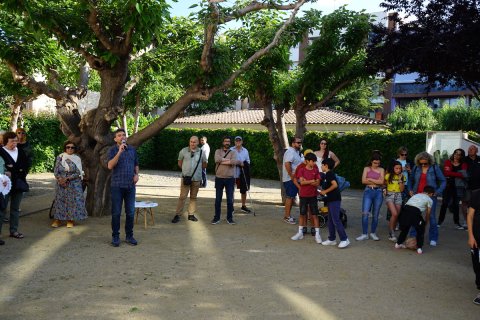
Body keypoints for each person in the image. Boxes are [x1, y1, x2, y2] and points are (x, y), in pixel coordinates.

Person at [107, 128, 139, 247]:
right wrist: (119, 152)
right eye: (119, 135)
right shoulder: (112, 150)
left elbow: (136, 164)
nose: (122, 137)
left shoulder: (132, 150)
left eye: (124, 135)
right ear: (115, 139)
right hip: (117, 186)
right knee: (116, 213)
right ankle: (115, 237)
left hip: (130, 186)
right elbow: (110, 165)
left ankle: (129, 236)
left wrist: (137, 175)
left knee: (130, 212)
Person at [408, 151, 446, 246]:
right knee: (415, 216)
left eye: (426, 163)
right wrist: (410, 189)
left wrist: (437, 192)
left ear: (429, 161)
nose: (424, 165)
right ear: (418, 162)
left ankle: (433, 238)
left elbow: (443, 181)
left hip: (430, 197)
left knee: (431, 217)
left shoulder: (434, 167)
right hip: (417, 195)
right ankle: (413, 236)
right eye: (422, 163)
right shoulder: (416, 167)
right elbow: (410, 179)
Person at [171, 136, 207, 223]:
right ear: (189, 142)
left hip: (197, 178)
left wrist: (197, 171)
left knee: (193, 197)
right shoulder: (183, 151)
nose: (192, 143)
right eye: (191, 141)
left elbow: (204, 164)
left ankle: (191, 215)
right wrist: (186, 170)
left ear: (198, 142)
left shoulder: (202, 152)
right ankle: (177, 215)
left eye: (194, 142)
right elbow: (180, 163)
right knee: (182, 197)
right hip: (185, 178)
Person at [0, 131, 29, 239]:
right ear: (5, 141)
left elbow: (26, 165)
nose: (15, 143)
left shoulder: (20, 151)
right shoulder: (1, 152)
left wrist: (18, 171)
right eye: (12, 141)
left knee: (15, 209)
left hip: (18, 184)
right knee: (2, 209)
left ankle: (14, 231)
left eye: (16, 141)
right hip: (3, 185)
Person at [51, 141, 87, 228]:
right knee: (60, 201)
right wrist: (60, 179)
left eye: (72, 147)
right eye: (68, 147)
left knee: (72, 202)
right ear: (65, 148)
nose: (70, 149)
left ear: (74, 149)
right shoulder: (60, 157)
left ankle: (70, 220)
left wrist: (67, 178)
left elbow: (78, 172)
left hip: (73, 183)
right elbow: (56, 170)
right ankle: (57, 219)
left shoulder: (77, 158)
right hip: (61, 182)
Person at [290, 152, 322, 244]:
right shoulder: (301, 170)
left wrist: (307, 181)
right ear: (307, 161)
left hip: (313, 195)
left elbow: (318, 183)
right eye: (313, 161)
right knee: (302, 214)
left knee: (314, 214)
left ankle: (317, 234)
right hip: (303, 195)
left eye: (315, 161)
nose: (314, 163)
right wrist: (312, 181)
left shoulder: (316, 169)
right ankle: (300, 232)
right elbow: (302, 182)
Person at [395, 185, 434, 255]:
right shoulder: (429, 199)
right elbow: (428, 213)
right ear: (431, 194)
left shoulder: (416, 195)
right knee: (420, 230)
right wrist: (425, 222)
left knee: (405, 229)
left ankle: (398, 244)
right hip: (415, 212)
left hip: (405, 210)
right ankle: (419, 248)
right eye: (432, 195)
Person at [320, 158, 350, 248]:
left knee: (336, 220)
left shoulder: (329, 174)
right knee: (330, 220)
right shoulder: (328, 174)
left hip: (334, 200)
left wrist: (325, 191)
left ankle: (344, 239)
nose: (321, 166)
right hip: (331, 199)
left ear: (326, 166)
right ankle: (332, 239)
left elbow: (335, 185)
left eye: (322, 165)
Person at [356, 153, 385, 241]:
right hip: (368, 191)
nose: (377, 165)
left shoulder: (381, 169)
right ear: (371, 162)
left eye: (378, 163)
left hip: (378, 192)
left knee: (375, 214)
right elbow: (363, 181)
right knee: (365, 213)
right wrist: (377, 181)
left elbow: (382, 182)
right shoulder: (366, 168)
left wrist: (370, 179)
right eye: (375, 163)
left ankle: (373, 233)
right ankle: (364, 233)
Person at [438, 148, 468, 229]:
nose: (456, 155)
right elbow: (446, 173)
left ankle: (457, 223)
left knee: (456, 205)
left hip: (458, 187)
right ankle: (439, 222)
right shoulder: (448, 161)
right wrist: (458, 173)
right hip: (448, 186)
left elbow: (463, 175)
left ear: (461, 156)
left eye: (459, 154)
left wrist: (452, 174)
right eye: (455, 153)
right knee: (444, 204)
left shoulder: (463, 164)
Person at [212, 136, 237, 225]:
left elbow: (234, 162)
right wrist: (228, 161)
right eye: (225, 141)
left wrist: (222, 161)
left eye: (229, 141)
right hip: (219, 178)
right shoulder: (217, 151)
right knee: (218, 199)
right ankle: (216, 218)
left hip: (230, 179)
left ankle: (229, 218)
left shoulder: (234, 152)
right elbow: (216, 160)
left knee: (230, 200)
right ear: (223, 142)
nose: (227, 143)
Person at [282, 137, 304, 224]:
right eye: (298, 142)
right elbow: (287, 164)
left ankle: (288, 215)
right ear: (293, 143)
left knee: (292, 197)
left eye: (300, 142)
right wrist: (291, 176)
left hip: (295, 179)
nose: (300, 144)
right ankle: (287, 217)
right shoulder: (290, 151)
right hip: (290, 179)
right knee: (290, 197)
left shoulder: (297, 152)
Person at [384, 160, 406, 241]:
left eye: (400, 168)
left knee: (396, 216)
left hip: (398, 196)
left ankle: (391, 232)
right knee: (395, 214)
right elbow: (384, 184)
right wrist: (384, 190)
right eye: (396, 168)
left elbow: (402, 189)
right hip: (390, 196)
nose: (398, 170)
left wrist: (400, 180)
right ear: (393, 168)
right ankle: (392, 233)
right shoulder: (388, 176)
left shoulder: (403, 176)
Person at [231, 136, 252, 213]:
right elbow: (229, 160)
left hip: (242, 173)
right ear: (234, 142)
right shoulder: (231, 150)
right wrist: (238, 162)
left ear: (242, 142)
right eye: (236, 140)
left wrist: (244, 163)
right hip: (232, 173)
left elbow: (248, 161)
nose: (238, 142)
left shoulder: (245, 151)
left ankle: (243, 206)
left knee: (244, 190)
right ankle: (231, 206)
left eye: (239, 140)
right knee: (231, 190)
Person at [467, 189, 480, 304]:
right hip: (477, 236)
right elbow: (470, 216)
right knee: (477, 265)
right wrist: (471, 236)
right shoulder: (477, 194)